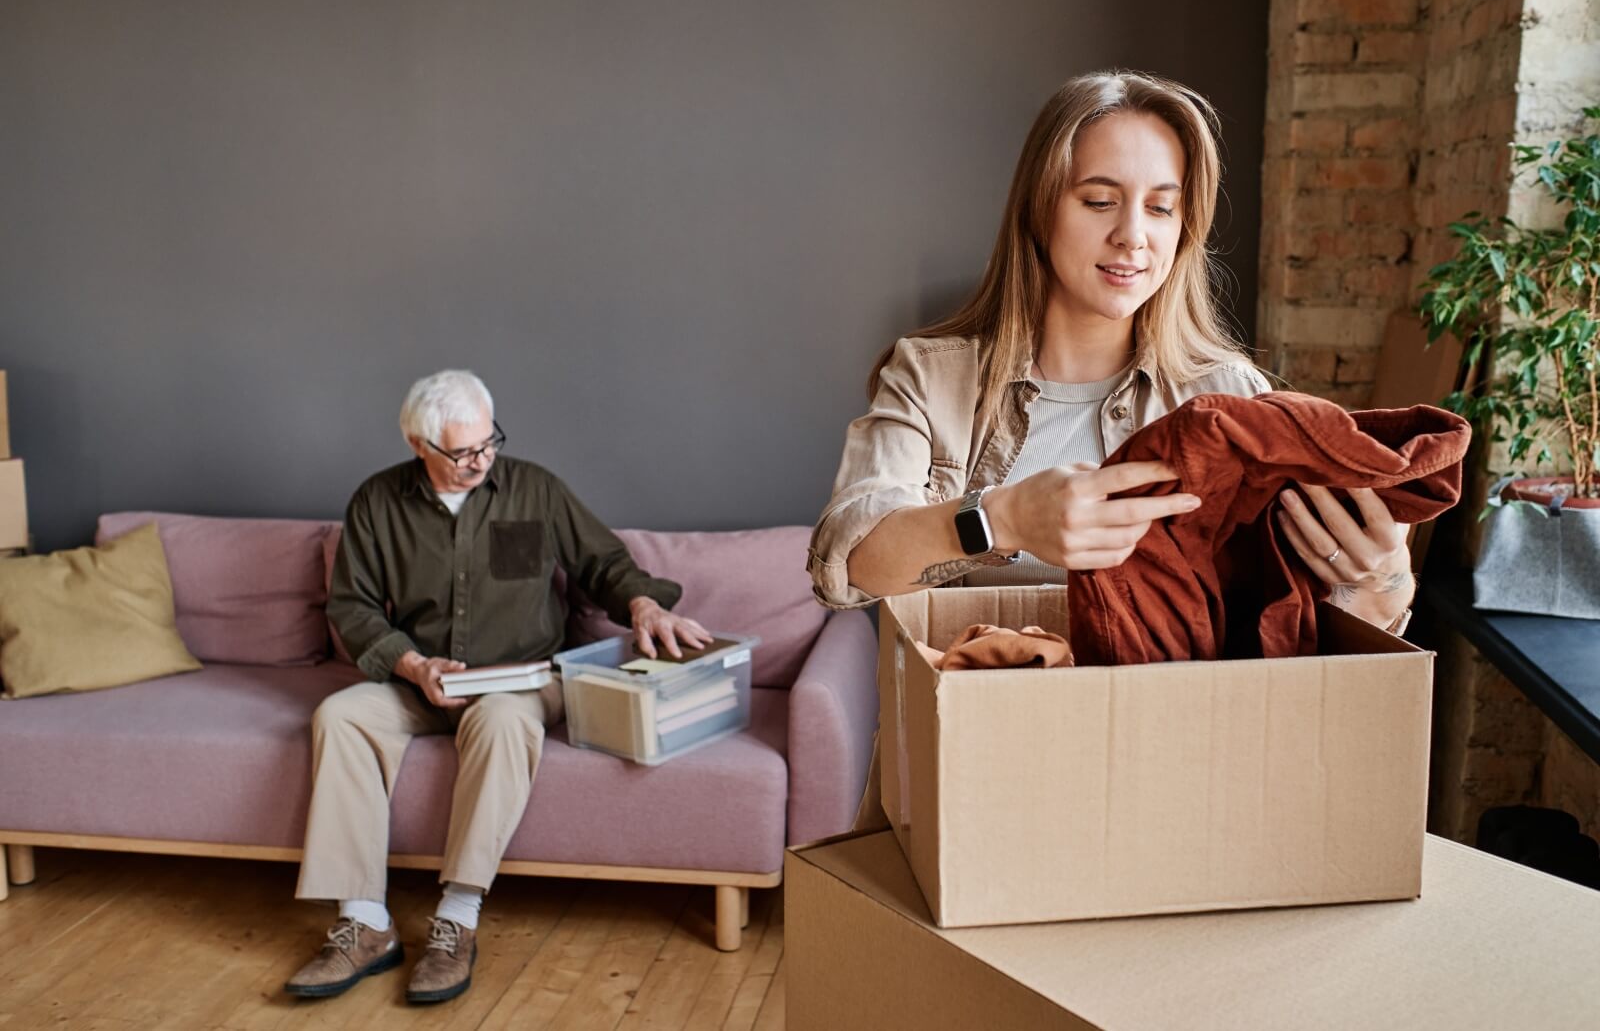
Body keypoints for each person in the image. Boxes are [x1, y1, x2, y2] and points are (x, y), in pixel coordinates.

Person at [809, 70, 1416, 650]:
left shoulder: (1231, 395)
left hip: (1166, 745)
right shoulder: (932, 376)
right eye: (1099, 201)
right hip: (977, 741)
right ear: (1039, 209)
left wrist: (1384, 583)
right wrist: (1005, 518)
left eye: (1160, 208)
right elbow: (850, 562)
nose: (1133, 235)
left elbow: (1296, 630)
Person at [286, 369, 709, 1004]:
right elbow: (354, 610)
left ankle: (456, 919)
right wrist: (414, 667)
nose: (480, 461)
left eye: (489, 443)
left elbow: (604, 563)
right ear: (417, 445)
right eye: (461, 452)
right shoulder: (376, 502)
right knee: (341, 713)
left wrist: (645, 606)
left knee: (503, 721)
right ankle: (365, 923)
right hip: (421, 681)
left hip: (524, 679)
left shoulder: (536, 490)